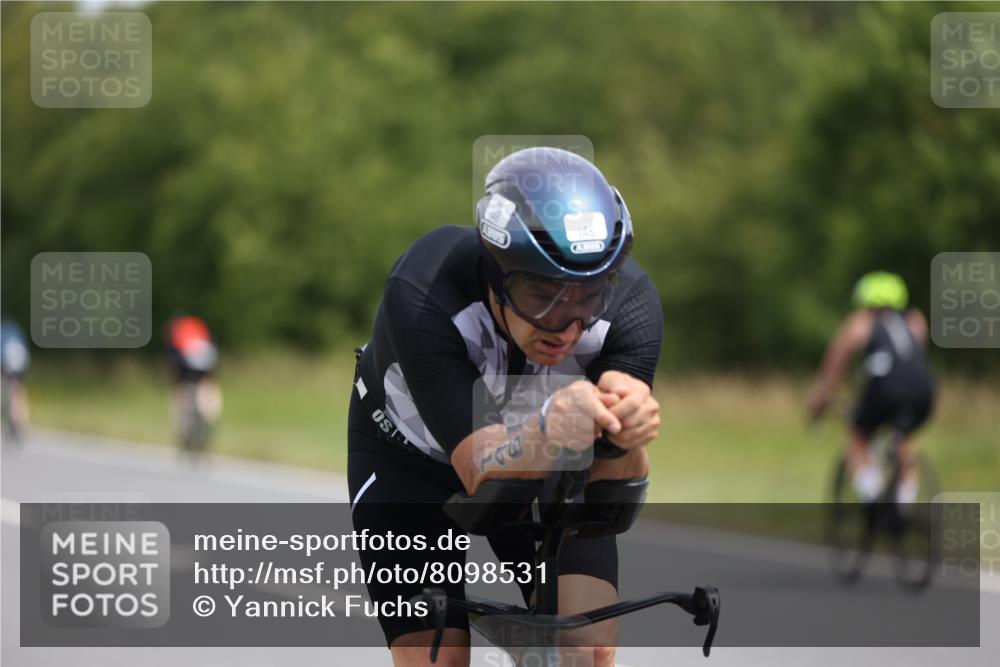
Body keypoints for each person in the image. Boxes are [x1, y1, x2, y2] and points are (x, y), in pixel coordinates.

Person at [348, 147, 664, 667]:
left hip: (552, 458)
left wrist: (627, 437)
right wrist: (550, 429)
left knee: (586, 653)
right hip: (409, 458)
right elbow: (480, 469)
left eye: (587, 295)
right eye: (540, 294)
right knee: (439, 659)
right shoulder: (424, 290)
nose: (565, 324)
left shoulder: (630, 308)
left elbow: (614, 480)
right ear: (494, 271)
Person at [808, 271, 935, 505]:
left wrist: (820, 400)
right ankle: (904, 505)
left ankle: (873, 495)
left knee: (858, 436)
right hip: (923, 392)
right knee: (903, 441)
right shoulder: (916, 320)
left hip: (884, 391)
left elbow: (834, 366)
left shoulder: (861, 322)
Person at [164, 314, 222, 453]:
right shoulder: (199, 332)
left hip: (189, 374)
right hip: (203, 371)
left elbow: (174, 369)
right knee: (206, 391)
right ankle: (206, 423)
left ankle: (185, 434)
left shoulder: (177, 337)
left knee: (181, 400)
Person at [1, 319, 31, 443]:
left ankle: (9, 416)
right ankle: (21, 419)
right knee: (18, 389)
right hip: (21, 358)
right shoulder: (17, 331)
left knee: (4, 386)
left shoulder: (2, 332)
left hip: (7, 357)